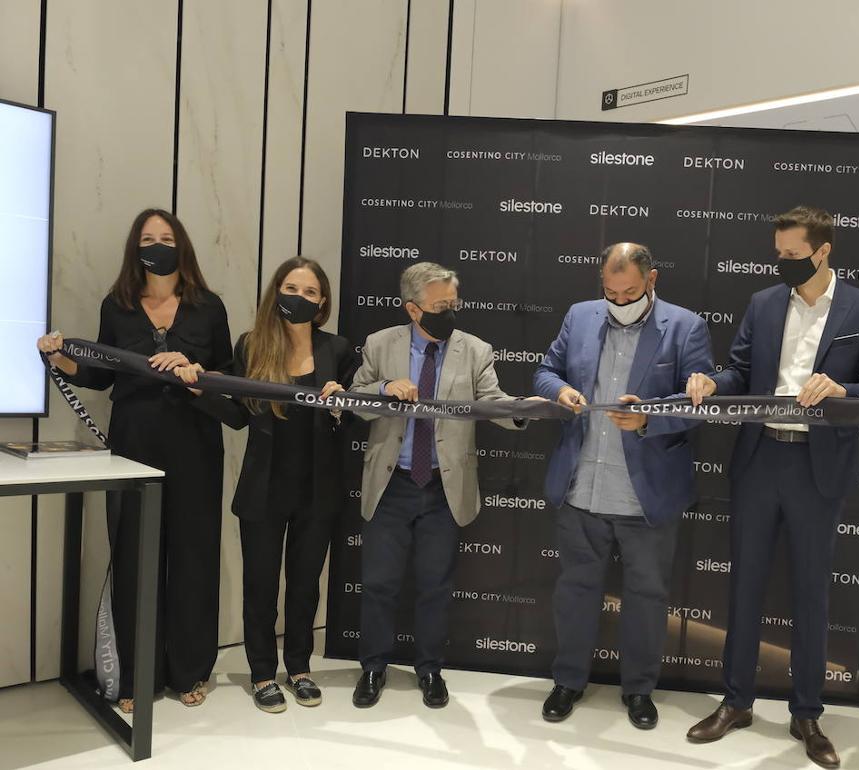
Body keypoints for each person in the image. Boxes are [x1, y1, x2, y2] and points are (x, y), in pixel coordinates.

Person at [685, 206, 859, 768]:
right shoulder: (763, 303)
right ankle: (736, 702)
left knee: (811, 591)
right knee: (745, 584)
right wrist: (712, 381)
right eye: (778, 254)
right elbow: (739, 370)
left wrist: (843, 388)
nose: (783, 263)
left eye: (793, 255)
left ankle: (807, 713)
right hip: (759, 457)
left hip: (817, 464)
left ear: (823, 251)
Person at [36, 208, 231, 712]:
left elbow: (227, 382)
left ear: (181, 245)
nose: (157, 246)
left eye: (166, 237)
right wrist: (60, 357)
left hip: (195, 448)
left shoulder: (209, 307)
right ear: (135, 249)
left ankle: (190, 671)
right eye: (147, 239)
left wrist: (195, 373)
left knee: (193, 557)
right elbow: (102, 375)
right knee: (133, 557)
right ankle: (135, 677)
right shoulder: (117, 306)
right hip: (133, 447)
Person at [532, 243, 713, 730]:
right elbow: (544, 371)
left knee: (647, 597)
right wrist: (559, 391)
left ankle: (639, 690)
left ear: (652, 280)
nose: (619, 301)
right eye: (610, 292)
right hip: (581, 487)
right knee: (575, 591)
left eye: (629, 292)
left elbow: (699, 404)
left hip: (646, 495)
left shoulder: (687, 326)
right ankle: (568, 681)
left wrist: (648, 419)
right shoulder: (580, 316)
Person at [174, 257, 358, 713]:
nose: (300, 297)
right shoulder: (252, 345)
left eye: (310, 291)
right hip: (264, 488)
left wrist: (341, 406)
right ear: (276, 293)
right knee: (259, 586)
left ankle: (299, 668)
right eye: (291, 288)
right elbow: (240, 416)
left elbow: (354, 418)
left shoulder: (338, 348)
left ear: (322, 302)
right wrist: (201, 391)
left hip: (318, 489)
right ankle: (261, 673)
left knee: (305, 586)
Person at [348, 262, 534, 709]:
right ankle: (373, 666)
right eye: (440, 306)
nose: (449, 312)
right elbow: (355, 401)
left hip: (442, 488)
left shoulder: (476, 350)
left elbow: (491, 402)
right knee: (379, 583)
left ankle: (430, 669)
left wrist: (524, 410)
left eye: (453, 303)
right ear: (413, 309)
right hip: (391, 484)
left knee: (435, 586)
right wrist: (384, 389)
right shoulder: (380, 343)